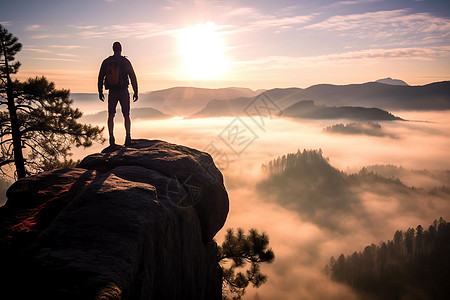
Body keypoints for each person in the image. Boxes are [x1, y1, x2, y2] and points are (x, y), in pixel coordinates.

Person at [98, 41, 138, 146]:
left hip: (112, 91)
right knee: (126, 115)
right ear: (121, 49)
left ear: (113, 49)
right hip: (124, 90)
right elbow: (133, 76)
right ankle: (128, 138)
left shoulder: (106, 62)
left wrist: (100, 91)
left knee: (111, 115)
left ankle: (111, 139)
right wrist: (136, 91)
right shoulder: (125, 61)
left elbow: (100, 77)